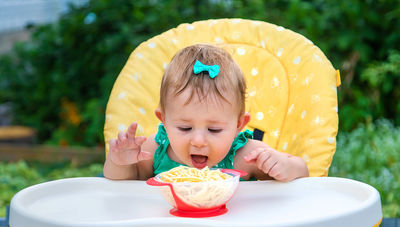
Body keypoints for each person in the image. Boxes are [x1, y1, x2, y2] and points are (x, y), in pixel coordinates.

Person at [103, 44, 309, 181]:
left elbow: (302, 174)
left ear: (239, 124)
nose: (199, 140)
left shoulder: (246, 155)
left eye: (214, 129)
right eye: (185, 127)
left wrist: (284, 167)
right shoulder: (156, 150)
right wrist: (119, 162)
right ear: (163, 120)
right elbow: (123, 185)